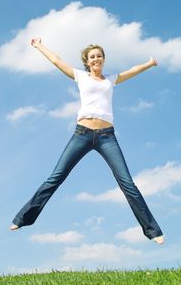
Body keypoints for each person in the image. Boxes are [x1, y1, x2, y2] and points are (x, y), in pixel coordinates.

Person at [10, 37, 164, 245]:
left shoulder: (111, 79)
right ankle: (22, 219)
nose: (96, 59)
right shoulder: (81, 76)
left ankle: (153, 231)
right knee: (56, 177)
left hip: (107, 137)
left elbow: (133, 70)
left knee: (127, 182)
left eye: (99, 56)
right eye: (92, 57)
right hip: (82, 134)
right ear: (87, 61)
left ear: (103, 59)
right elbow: (57, 61)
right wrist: (39, 46)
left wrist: (150, 63)